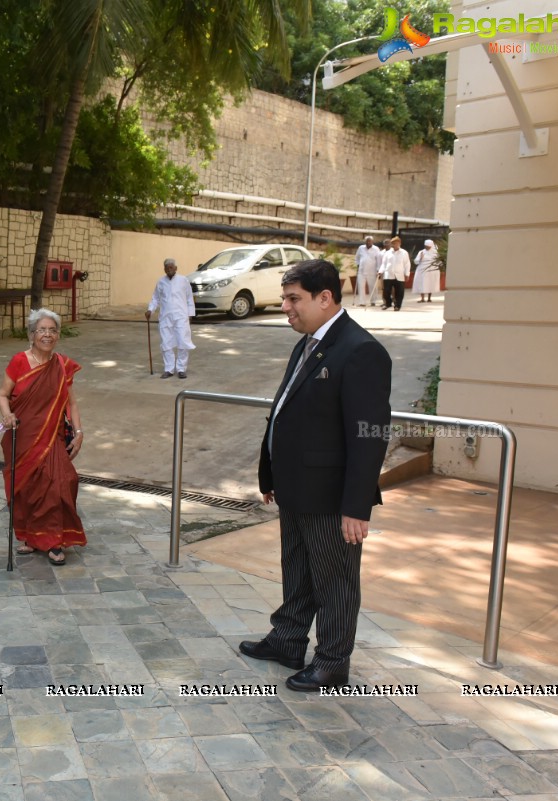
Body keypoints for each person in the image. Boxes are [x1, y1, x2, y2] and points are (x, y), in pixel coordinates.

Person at [240, 259, 391, 691]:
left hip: (331, 496)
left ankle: (332, 662)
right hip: (296, 489)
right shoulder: (309, 341)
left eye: (294, 299)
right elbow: (286, 412)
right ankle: (288, 640)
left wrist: (356, 506)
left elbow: (371, 434)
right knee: (298, 570)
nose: (286, 307)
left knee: (336, 581)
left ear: (325, 298)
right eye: (286, 298)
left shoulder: (362, 351)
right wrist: (269, 475)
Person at [0, 308, 85, 566]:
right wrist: (7, 415)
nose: (47, 335)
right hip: (22, 435)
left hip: (52, 437)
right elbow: (3, 394)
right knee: (28, 489)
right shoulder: (19, 362)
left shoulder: (62, 365)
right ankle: (33, 538)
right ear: (32, 335)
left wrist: (79, 432)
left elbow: (72, 404)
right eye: (42, 330)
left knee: (61, 482)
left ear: (58, 335)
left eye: (52, 330)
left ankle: (54, 540)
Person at [145, 258, 195, 379]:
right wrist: (150, 310)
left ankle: (181, 369)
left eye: (171, 267)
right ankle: (169, 369)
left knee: (183, 342)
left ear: (176, 268)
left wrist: (190, 314)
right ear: (164, 269)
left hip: (181, 317)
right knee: (166, 343)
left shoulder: (183, 280)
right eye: (167, 268)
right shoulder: (161, 282)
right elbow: (155, 298)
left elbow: (189, 299)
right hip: (165, 317)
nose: (169, 270)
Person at [379, 237, 410, 311]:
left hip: (399, 275)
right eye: (393, 243)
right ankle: (387, 304)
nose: (395, 245)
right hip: (388, 274)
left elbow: (407, 264)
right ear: (391, 244)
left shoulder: (404, 253)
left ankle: (397, 306)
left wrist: (407, 274)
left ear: (400, 243)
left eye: (397, 243)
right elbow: (384, 263)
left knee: (399, 292)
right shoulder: (387, 253)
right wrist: (380, 271)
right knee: (386, 291)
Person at [354, 236, 383, 306]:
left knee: (373, 287)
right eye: (367, 241)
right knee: (361, 286)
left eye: (370, 241)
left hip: (372, 271)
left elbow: (379, 260)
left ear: (372, 242)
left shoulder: (376, 249)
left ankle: (373, 301)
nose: (368, 242)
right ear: (365, 241)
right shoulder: (361, 248)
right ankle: (362, 302)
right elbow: (357, 258)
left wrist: (378, 270)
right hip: (361, 271)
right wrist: (358, 265)